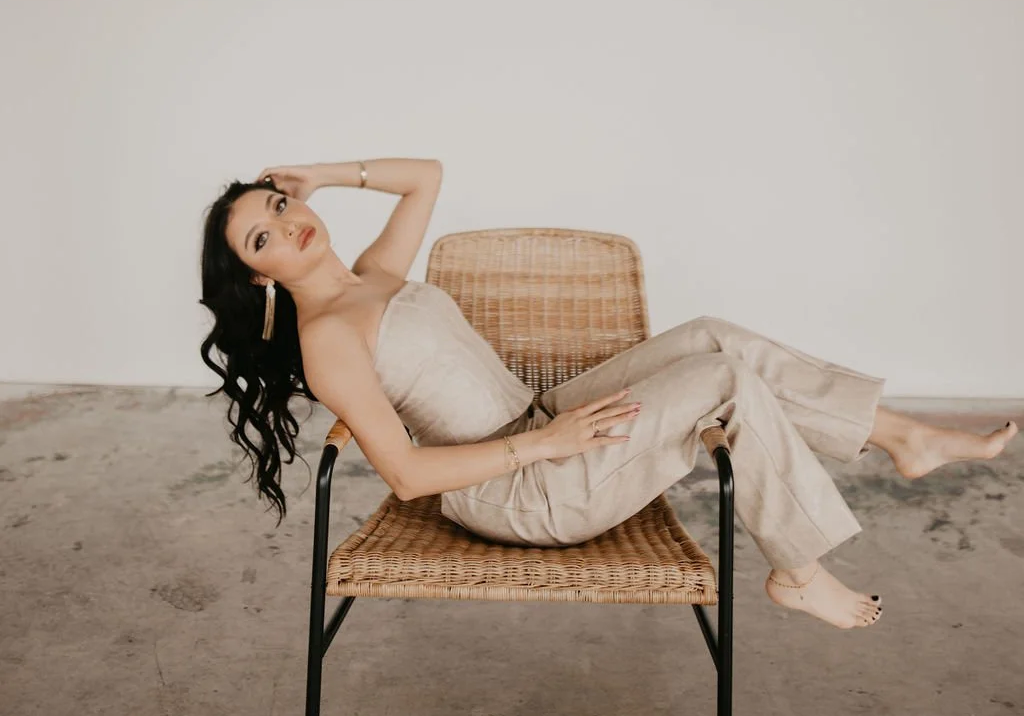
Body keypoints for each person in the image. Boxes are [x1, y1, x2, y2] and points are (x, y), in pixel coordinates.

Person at [199, 161, 1018, 632]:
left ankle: (900, 435)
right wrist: (545, 446)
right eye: (263, 236)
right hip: (518, 490)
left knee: (711, 335)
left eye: (281, 203)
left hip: (537, 419)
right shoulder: (327, 340)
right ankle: (798, 569)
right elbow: (408, 476)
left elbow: (426, 176)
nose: (290, 223)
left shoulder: (371, 275)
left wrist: (324, 173)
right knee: (723, 382)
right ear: (257, 277)